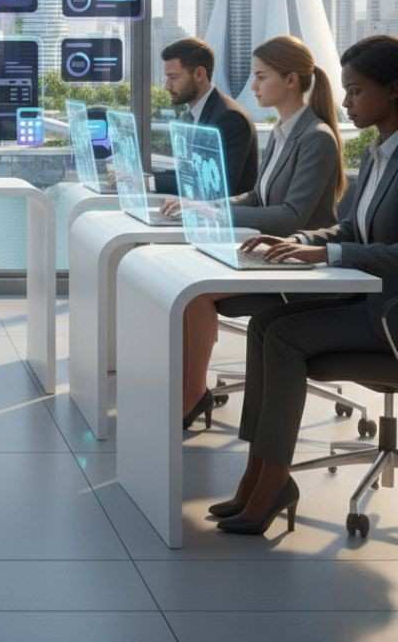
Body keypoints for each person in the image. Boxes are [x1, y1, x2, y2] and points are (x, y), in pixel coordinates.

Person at [209, 35, 398, 536]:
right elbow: (351, 227)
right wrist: (300, 239)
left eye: (356, 91)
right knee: (267, 324)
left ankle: (271, 481)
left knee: (285, 335)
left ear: (393, 91)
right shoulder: (380, 151)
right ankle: (260, 474)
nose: (346, 103)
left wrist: (329, 253)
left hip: (389, 314)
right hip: (370, 301)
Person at [175, 36, 345, 428]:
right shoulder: (283, 130)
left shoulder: (317, 138)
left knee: (196, 292)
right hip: (270, 251)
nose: (253, 86)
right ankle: (188, 388)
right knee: (185, 282)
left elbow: (291, 217)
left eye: (260, 77)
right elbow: (259, 194)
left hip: (298, 259)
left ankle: (193, 394)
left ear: (290, 80)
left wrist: (217, 218)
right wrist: (211, 207)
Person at [153, 37, 258, 198]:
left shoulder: (230, 118)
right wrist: (145, 179)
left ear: (199, 74)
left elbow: (217, 186)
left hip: (225, 219)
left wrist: (150, 183)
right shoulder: (191, 115)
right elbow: (189, 174)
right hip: (200, 211)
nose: (167, 86)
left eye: (173, 77)